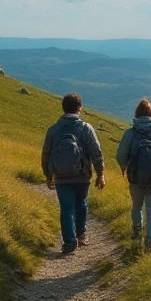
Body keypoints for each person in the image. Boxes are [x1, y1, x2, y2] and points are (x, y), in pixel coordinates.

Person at [41, 92, 105, 254]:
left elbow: (46, 153)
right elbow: (96, 152)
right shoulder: (86, 128)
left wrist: (48, 175)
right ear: (79, 108)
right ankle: (81, 234)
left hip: (61, 176)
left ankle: (69, 242)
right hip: (82, 176)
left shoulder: (54, 129)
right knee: (81, 203)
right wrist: (100, 174)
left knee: (66, 208)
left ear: (63, 108)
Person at [116, 98, 151, 250]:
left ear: (137, 115)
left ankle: (136, 234)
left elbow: (120, 154)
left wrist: (124, 166)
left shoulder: (130, 133)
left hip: (135, 177)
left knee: (136, 207)